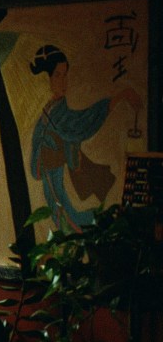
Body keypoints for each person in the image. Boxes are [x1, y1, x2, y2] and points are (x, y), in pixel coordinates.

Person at [29, 45, 141, 231]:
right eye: (58, 75)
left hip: (57, 183)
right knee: (64, 220)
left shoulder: (61, 114)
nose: (63, 81)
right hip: (52, 185)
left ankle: (110, 225)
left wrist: (120, 97)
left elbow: (85, 121)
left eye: (65, 75)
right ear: (46, 78)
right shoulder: (49, 110)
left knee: (70, 220)